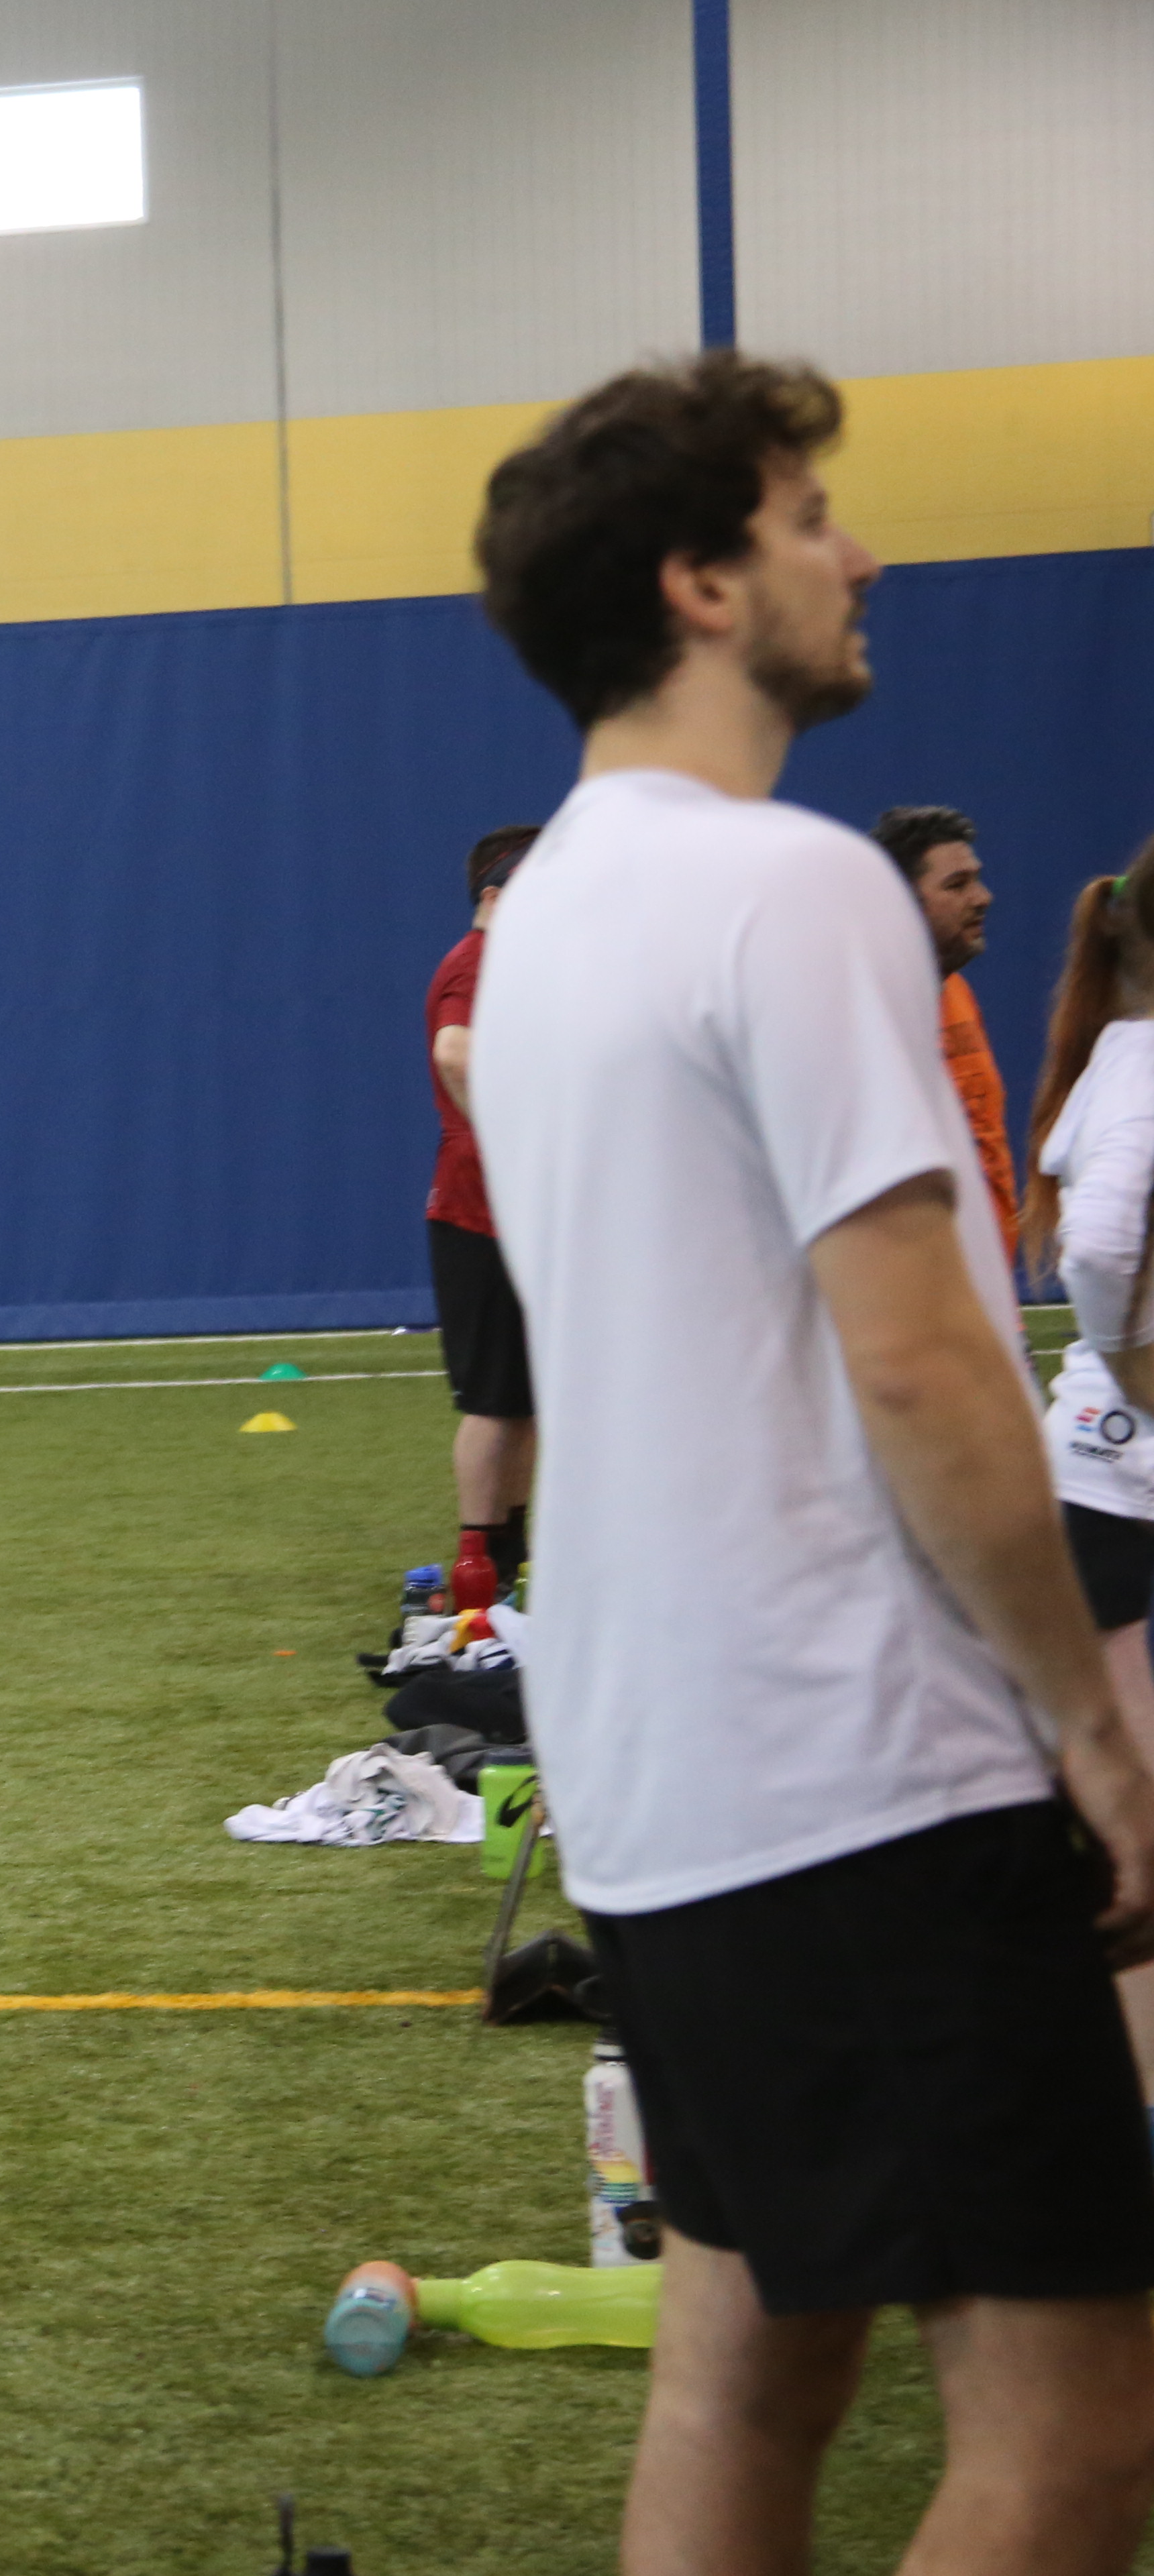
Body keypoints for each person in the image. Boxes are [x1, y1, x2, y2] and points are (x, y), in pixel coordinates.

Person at [473, 349, 1154, 2576]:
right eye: (805, 521)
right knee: (1077, 2438)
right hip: (871, 1770)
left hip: (654, 1781)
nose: (860, 555)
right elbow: (929, 1367)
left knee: (747, 2385)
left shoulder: (546, 915)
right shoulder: (789, 888)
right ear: (699, 586)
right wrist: (1091, 1725)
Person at [1020, 846, 1154, 2132]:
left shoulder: (1119, 1057)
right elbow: (1103, 1249)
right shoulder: (1145, 1068)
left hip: (1112, 1479)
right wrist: (1142, 1377)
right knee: (1135, 1837)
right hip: (1120, 1487)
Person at [423, 824, 539, 1593]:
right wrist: (513, 1146)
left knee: (524, 1402)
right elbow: (454, 1052)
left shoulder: (522, 966)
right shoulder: (478, 961)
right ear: (496, 895)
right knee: (496, 1403)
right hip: (480, 1217)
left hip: (517, 1219)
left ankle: (510, 1552)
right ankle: (477, 1561)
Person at [877, 804, 1018, 1248]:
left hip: (988, 1274)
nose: (983, 897)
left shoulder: (958, 994)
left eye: (976, 879)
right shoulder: (866, 1013)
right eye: (957, 885)